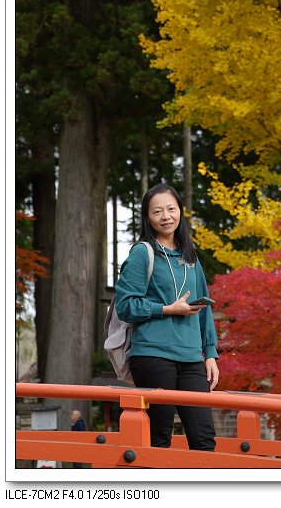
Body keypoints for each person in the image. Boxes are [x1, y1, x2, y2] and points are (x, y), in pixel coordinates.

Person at [114, 183, 219, 451]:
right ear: (148, 218)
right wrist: (166, 309)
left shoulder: (190, 257)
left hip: (191, 358)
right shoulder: (142, 253)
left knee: (204, 439)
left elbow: (205, 309)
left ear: (180, 212)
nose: (166, 216)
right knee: (159, 439)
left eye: (171, 209)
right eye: (157, 211)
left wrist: (210, 353)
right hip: (153, 355)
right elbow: (126, 306)